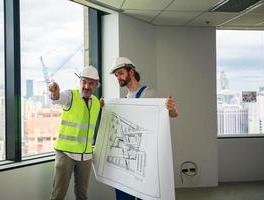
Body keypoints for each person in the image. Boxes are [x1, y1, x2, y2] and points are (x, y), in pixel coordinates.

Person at [110, 57, 178, 200]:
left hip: (145, 157)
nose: (118, 77)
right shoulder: (126, 99)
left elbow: (171, 114)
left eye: (121, 73)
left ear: (131, 72)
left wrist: (171, 109)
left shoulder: (149, 93)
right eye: (116, 75)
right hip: (129, 156)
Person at [49, 65, 102, 200]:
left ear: (96, 85)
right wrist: (55, 93)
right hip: (66, 154)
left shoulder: (96, 102)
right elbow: (58, 98)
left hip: (86, 157)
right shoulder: (70, 96)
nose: (86, 86)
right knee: (58, 195)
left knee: (82, 195)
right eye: (84, 82)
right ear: (80, 82)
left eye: (90, 83)